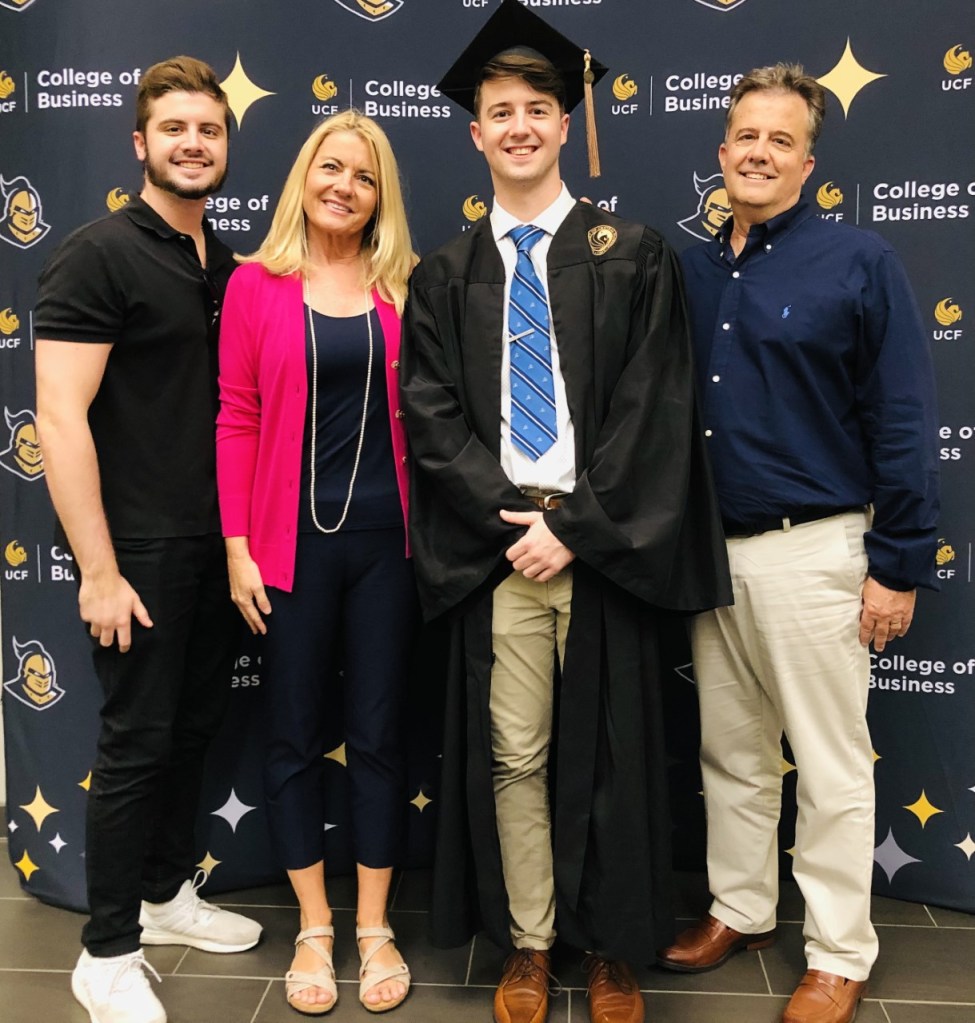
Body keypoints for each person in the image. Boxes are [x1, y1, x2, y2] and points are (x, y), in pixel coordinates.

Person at [400, 4, 732, 1023]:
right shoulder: (445, 274)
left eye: (537, 109)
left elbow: (652, 408)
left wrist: (575, 527)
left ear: (564, 123)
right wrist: (512, 521)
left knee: (618, 756)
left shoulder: (630, 253)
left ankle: (612, 947)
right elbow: (430, 415)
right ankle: (533, 942)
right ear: (476, 133)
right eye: (500, 112)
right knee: (514, 756)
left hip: (601, 546)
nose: (519, 127)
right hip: (500, 551)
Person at [655, 65, 940, 1023]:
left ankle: (838, 951)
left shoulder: (859, 261)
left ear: (808, 163)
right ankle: (740, 907)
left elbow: (903, 418)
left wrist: (897, 563)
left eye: (781, 140)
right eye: (746, 136)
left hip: (815, 551)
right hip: (710, 553)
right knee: (731, 753)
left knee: (827, 765)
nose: (759, 153)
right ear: (720, 151)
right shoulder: (685, 270)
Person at [33, 56, 261, 1023]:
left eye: (208, 129)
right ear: (140, 143)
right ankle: (106, 952)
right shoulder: (97, 254)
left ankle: (166, 895)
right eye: (174, 128)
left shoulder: (230, 266)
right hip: (137, 552)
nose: (193, 144)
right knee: (134, 746)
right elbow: (58, 416)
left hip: (220, 548)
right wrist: (97, 569)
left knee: (192, 729)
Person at [216, 109, 417, 1017]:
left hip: (388, 549)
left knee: (377, 735)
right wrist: (237, 546)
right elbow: (236, 417)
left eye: (364, 177)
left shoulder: (403, 284)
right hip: (287, 547)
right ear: (305, 176)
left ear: (380, 198)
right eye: (331, 168)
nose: (344, 186)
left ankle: (373, 924)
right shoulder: (255, 284)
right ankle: (313, 924)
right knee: (292, 735)